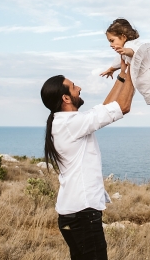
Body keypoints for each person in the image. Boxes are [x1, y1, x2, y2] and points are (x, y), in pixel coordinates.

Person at [41, 57, 134, 260]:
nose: (79, 88)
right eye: (74, 87)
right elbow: (123, 107)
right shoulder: (72, 124)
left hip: (71, 215)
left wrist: (122, 76)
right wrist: (136, 72)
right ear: (66, 98)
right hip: (82, 214)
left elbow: (105, 108)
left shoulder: (67, 122)